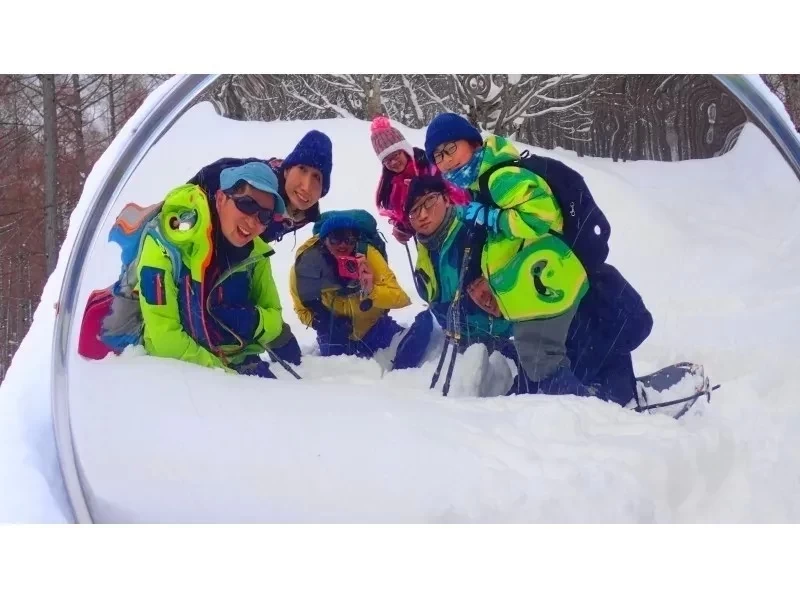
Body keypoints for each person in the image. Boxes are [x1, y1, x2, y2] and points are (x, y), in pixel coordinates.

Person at [424, 112, 653, 404]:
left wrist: (493, 218)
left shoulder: (500, 177)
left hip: (544, 284)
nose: (445, 160)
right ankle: (614, 392)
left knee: (540, 360)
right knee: (567, 348)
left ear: (471, 142)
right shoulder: (480, 184)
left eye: (450, 148)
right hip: (539, 286)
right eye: (438, 156)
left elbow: (541, 215)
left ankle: (591, 418)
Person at [102, 162, 291, 378]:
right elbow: (165, 339)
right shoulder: (167, 244)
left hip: (239, 362)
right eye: (247, 204)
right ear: (221, 199)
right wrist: (225, 375)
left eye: (264, 216)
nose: (253, 221)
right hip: (176, 372)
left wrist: (253, 321)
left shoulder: (256, 254)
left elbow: (274, 316)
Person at [391, 175, 515, 371]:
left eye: (429, 201)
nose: (422, 215)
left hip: (503, 340)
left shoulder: (475, 229)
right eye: (414, 211)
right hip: (459, 344)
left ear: (447, 199)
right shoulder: (427, 248)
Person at [289, 209, 411, 358]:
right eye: (335, 239)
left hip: (374, 327)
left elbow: (401, 298)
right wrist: (323, 324)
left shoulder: (367, 255)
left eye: (349, 240)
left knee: (412, 344)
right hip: (333, 336)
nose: (343, 245)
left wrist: (372, 290)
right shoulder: (306, 266)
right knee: (339, 375)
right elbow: (301, 310)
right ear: (323, 240)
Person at [187, 129, 333, 243]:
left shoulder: (305, 215)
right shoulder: (258, 178)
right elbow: (214, 173)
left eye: (317, 178)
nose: (306, 187)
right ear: (287, 170)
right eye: (302, 169)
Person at [369, 116, 469, 244]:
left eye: (395, 155)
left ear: (404, 150)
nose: (393, 162)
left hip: (456, 227)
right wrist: (402, 228)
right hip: (427, 241)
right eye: (387, 160)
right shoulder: (391, 185)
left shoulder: (431, 165)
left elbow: (458, 191)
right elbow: (400, 214)